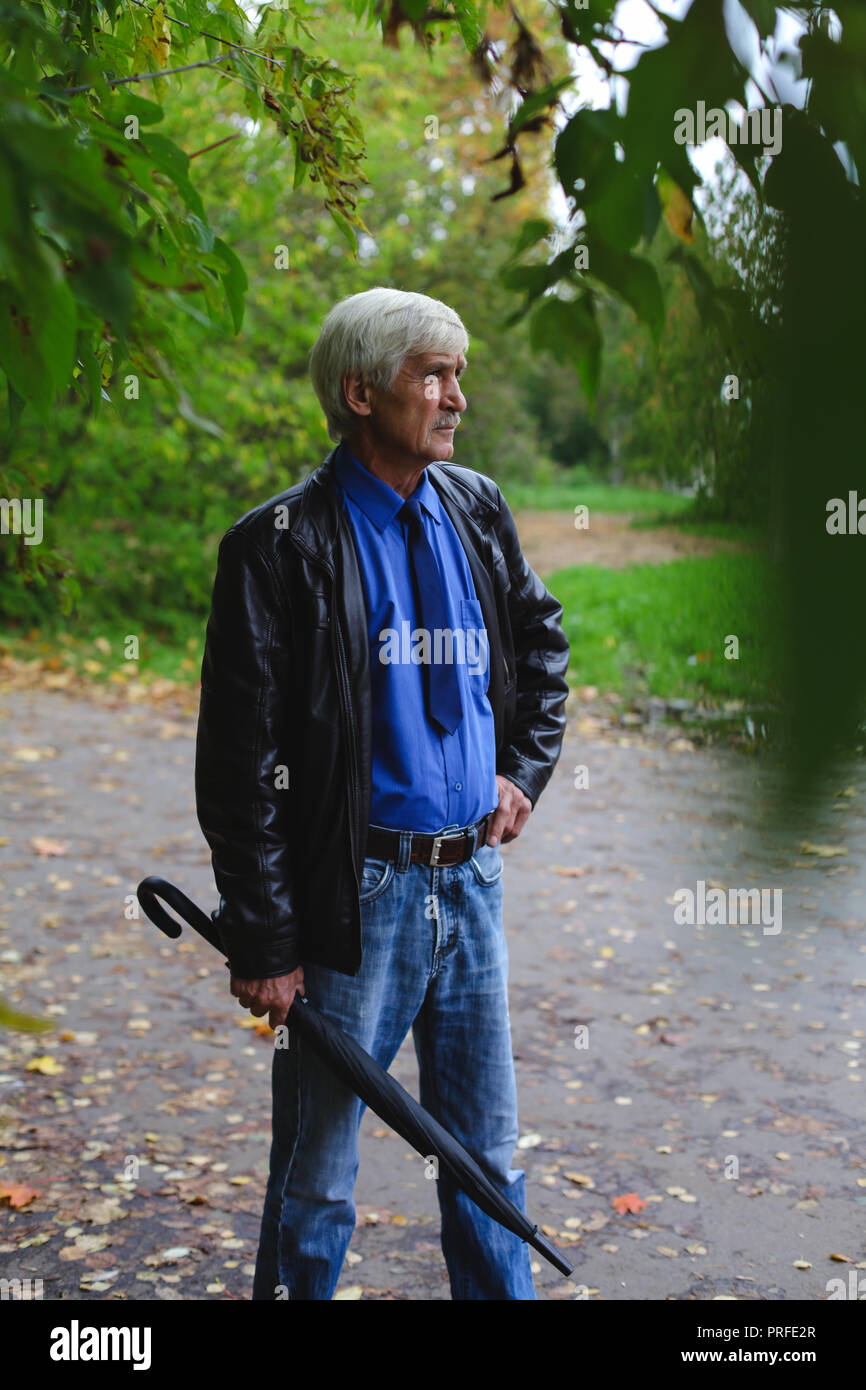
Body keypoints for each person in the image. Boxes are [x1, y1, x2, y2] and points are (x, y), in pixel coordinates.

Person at [194, 286, 570, 1300]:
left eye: (457, 374)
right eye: (430, 376)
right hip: (352, 904)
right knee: (316, 1176)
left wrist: (520, 772)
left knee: (485, 1160)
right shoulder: (275, 547)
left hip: (471, 885)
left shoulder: (474, 506)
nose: (454, 397)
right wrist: (268, 940)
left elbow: (541, 644)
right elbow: (239, 764)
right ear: (360, 394)